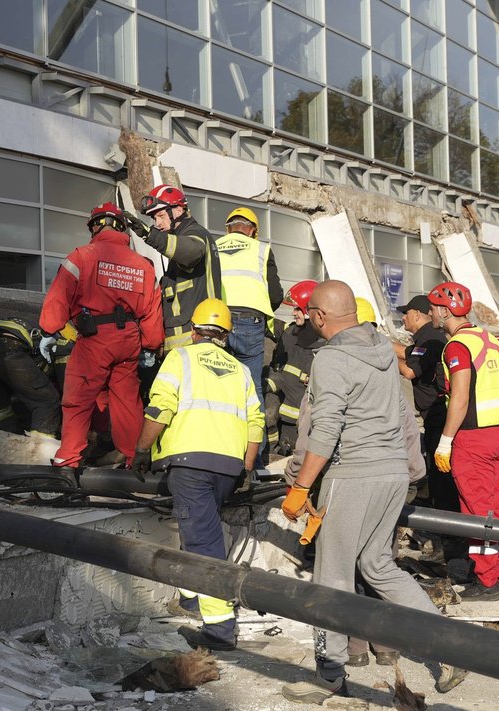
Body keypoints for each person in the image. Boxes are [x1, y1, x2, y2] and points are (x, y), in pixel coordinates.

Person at [280, 280, 466, 702]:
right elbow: (401, 414)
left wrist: (301, 485)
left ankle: (329, 677)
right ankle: (453, 648)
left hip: (354, 476)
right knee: (378, 565)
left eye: (309, 314)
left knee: (332, 576)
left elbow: (323, 431)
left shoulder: (331, 360)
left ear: (320, 317)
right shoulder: (383, 349)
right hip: (392, 474)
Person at [132, 298, 262, 652]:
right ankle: (191, 599)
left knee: (204, 542)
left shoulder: (180, 358)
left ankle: (220, 629)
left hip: (191, 465)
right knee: (200, 530)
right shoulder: (240, 370)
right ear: (226, 336)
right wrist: (247, 467)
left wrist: (142, 450)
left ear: (193, 331)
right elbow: (256, 423)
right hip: (228, 468)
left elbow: (160, 408)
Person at [40, 202, 163, 470]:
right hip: (130, 341)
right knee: (127, 401)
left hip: (95, 338)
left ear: (95, 226)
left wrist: (50, 329)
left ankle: (69, 459)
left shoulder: (82, 256)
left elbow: (58, 299)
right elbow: (152, 312)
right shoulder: (143, 265)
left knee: (78, 398)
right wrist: (151, 346)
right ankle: (133, 459)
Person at [429, 281, 499, 601]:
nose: (432, 312)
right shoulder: (488, 339)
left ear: (445, 310)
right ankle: (494, 564)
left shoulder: (457, 346)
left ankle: (488, 581)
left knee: (476, 511)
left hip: (473, 438)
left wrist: (445, 441)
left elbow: (460, 397)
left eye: (435, 307)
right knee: (491, 506)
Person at [124, 185, 220, 350]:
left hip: (196, 340)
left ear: (178, 209)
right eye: (154, 219)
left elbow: (190, 252)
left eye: (161, 216)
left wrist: (150, 235)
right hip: (186, 342)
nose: (158, 223)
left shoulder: (196, 233)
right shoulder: (179, 239)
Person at [214, 207, 284, 411]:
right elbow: (276, 295)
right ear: (253, 230)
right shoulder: (261, 249)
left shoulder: (214, 246)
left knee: (220, 385)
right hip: (250, 322)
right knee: (251, 388)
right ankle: (256, 442)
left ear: (228, 230)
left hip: (218, 321)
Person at [394, 294, 454, 519]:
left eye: (406, 314)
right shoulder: (426, 338)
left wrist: (385, 352)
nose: (403, 319)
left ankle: (447, 529)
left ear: (417, 314)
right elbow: (409, 355)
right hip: (434, 414)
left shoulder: (429, 338)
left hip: (437, 414)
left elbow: (410, 370)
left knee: (441, 477)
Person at [0, 316, 61, 438]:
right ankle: (39, 446)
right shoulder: (47, 342)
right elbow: (38, 372)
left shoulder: (20, 324)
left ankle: (3, 437)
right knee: (47, 400)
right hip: (8, 348)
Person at [266, 280, 323, 455]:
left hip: (306, 427)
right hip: (283, 423)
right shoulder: (289, 333)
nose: (293, 313)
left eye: (298, 309)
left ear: (309, 311)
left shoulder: (324, 343)